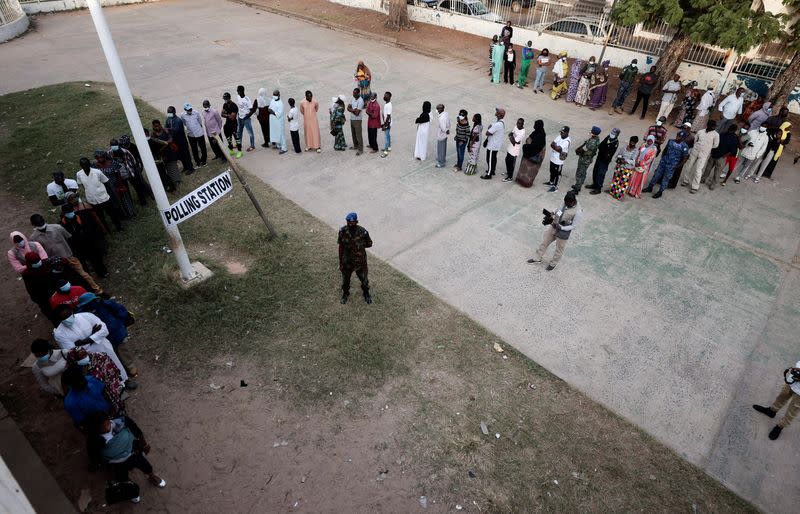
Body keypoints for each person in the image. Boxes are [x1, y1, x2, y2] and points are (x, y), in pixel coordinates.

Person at [52, 304, 132, 388]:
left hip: (102, 346)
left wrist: (82, 342)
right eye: (64, 318)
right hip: (87, 356)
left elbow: (104, 330)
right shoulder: (59, 334)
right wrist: (93, 334)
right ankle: (115, 388)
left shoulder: (86, 316)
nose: (67, 318)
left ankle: (125, 380)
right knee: (101, 372)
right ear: (59, 319)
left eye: (68, 314)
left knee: (115, 362)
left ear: (72, 311)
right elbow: (74, 350)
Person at [86, 413, 167, 490]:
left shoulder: (121, 421)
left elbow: (137, 431)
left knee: (145, 465)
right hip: (117, 463)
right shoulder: (93, 440)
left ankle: (151, 476)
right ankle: (130, 488)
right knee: (122, 477)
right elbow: (94, 454)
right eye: (102, 427)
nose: (107, 428)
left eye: (107, 424)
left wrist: (144, 444)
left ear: (109, 419)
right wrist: (102, 463)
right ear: (96, 429)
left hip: (133, 453)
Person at [30, 213, 101, 294]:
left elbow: (70, 239)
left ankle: (96, 289)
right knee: (66, 280)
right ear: (33, 225)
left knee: (83, 274)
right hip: (55, 263)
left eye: (41, 222)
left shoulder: (57, 227)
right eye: (38, 224)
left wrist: (74, 253)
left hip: (68, 256)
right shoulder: (34, 238)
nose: (41, 225)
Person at [527, 191, 583, 271]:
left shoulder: (578, 211)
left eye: (567, 203)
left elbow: (573, 225)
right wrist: (552, 212)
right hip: (554, 225)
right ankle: (537, 258)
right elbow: (559, 209)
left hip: (563, 231)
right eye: (565, 202)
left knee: (559, 249)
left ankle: (553, 263)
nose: (565, 204)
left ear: (573, 202)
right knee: (545, 242)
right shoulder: (565, 202)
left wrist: (561, 228)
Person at [752, 362, 800, 440]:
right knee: (782, 396)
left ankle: (780, 426)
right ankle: (772, 411)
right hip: (793, 379)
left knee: (792, 411)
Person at [60, 202, 107, 279]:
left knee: (96, 258)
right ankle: (88, 276)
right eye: (68, 212)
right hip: (75, 247)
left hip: (89, 243)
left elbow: (91, 229)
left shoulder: (81, 217)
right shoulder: (62, 225)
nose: (70, 213)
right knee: (82, 263)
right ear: (64, 213)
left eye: (71, 211)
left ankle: (102, 272)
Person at [76, 157, 122, 232]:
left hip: (104, 197)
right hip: (92, 200)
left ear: (89, 164)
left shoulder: (97, 172)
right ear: (80, 166)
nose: (85, 167)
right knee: (100, 216)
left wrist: (111, 195)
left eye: (86, 164)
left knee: (112, 214)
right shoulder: (79, 174)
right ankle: (106, 230)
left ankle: (119, 227)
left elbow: (106, 182)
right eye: (83, 165)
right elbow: (82, 185)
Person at [338, 212, 372, 305]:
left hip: (360, 262)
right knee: (345, 281)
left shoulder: (363, 232)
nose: (349, 223)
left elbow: (369, 243)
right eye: (348, 221)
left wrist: (359, 246)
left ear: (356, 221)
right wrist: (340, 262)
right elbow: (341, 247)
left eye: (351, 222)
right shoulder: (342, 231)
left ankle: (366, 294)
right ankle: (345, 294)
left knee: (364, 280)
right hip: (347, 262)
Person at [643, 131, 690, 198]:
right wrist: (662, 157)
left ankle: (660, 191)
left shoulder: (684, 147)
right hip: (663, 162)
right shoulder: (671, 141)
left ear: (683, 138)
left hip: (672, 165)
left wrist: (678, 166)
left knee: (666, 178)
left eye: (680, 136)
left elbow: (685, 158)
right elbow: (665, 149)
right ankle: (650, 187)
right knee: (656, 175)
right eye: (677, 135)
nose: (678, 137)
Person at [94, 150, 135, 219]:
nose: (99, 159)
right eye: (97, 158)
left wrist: (120, 185)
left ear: (104, 156)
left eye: (101, 157)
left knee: (124, 199)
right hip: (106, 187)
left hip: (116, 184)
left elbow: (118, 175)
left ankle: (130, 213)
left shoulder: (112, 163)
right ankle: (122, 216)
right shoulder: (95, 166)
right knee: (114, 202)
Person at [681, 120, 720, 192]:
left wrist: (707, 147)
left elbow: (715, 145)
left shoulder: (716, 135)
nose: (714, 128)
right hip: (695, 151)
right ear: (708, 125)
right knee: (688, 166)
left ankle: (695, 187)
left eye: (714, 126)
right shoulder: (701, 131)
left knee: (698, 170)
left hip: (704, 154)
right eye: (713, 126)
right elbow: (695, 140)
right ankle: (685, 181)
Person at [700, 123, 738, 190]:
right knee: (708, 168)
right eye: (730, 129)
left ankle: (713, 184)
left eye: (731, 130)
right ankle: (703, 179)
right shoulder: (721, 134)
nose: (730, 130)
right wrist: (712, 151)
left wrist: (724, 156)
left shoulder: (734, 139)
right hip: (714, 154)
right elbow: (715, 142)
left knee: (717, 172)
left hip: (721, 157)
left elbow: (732, 150)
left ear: (734, 131)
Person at [150, 121, 182, 194]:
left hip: (169, 151)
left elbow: (170, 138)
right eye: (155, 126)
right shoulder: (153, 134)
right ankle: (172, 181)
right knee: (167, 167)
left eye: (158, 126)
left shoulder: (165, 130)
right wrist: (165, 145)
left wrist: (167, 143)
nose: (157, 127)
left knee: (173, 165)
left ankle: (177, 180)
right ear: (153, 126)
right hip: (162, 153)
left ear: (160, 125)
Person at [586, 128, 619, 194]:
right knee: (595, 171)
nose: (612, 134)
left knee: (600, 174)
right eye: (612, 133)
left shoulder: (615, 142)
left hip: (605, 161)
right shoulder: (608, 137)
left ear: (617, 135)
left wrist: (603, 149)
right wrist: (603, 149)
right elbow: (600, 145)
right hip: (599, 158)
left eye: (613, 133)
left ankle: (598, 188)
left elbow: (608, 153)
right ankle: (594, 184)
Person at [515, 119, 546, 187]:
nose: (534, 126)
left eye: (535, 125)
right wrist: (528, 144)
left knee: (531, 170)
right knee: (524, 167)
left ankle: (526, 183)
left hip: (535, 154)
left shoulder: (541, 135)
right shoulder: (536, 132)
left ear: (538, 126)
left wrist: (527, 146)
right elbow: (529, 139)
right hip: (530, 151)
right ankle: (520, 180)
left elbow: (536, 145)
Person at [571, 126, 601, 193]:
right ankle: (578, 185)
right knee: (583, 172)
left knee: (580, 173)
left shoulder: (592, 142)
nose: (590, 131)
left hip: (584, 159)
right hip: (588, 159)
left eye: (592, 131)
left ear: (593, 133)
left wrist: (579, 151)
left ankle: (577, 188)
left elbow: (585, 150)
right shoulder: (596, 139)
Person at [164, 106, 194, 173]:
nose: (169, 114)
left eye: (170, 112)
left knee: (186, 155)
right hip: (175, 142)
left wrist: (168, 130)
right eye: (168, 112)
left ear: (174, 112)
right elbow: (165, 126)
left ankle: (190, 168)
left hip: (181, 141)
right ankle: (185, 167)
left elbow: (176, 131)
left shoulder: (178, 120)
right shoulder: (168, 119)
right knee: (180, 155)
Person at [667, 122, 695, 188]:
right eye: (683, 128)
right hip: (675, 153)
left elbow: (691, 147)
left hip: (683, 155)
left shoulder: (691, 138)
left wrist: (686, 156)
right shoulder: (680, 133)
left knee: (677, 170)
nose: (683, 129)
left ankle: (672, 185)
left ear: (689, 128)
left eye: (685, 128)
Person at [481, 108, 506, 180]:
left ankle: (489, 174)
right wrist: (491, 128)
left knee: (489, 159)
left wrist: (490, 129)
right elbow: (491, 126)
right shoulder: (501, 122)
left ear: (500, 115)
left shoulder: (497, 125)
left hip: (492, 145)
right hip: (496, 145)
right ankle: (492, 171)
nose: (496, 112)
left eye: (497, 112)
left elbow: (487, 133)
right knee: (493, 158)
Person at [545, 126, 571, 192]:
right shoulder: (559, 137)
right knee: (552, 171)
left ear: (567, 133)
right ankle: (551, 182)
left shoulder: (567, 141)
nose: (561, 134)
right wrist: (556, 148)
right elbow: (551, 144)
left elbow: (557, 148)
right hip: (553, 157)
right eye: (561, 132)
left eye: (563, 132)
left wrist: (556, 147)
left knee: (557, 174)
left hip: (559, 161)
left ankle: (555, 187)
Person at [180, 103, 207, 167]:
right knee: (194, 149)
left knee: (203, 148)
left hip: (199, 133)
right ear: (185, 110)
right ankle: (197, 162)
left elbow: (200, 122)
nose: (190, 110)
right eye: (188, 110)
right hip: (191, 135)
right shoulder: (182, 115)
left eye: (190, 109)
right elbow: (184, 123)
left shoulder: (196, 113)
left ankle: (204, 160)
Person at [503, 118, 526, 182]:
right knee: (507, 160)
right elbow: (510, 134)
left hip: (514, 151)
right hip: (510, 147)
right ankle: (508, 172)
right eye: (517, 122)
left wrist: (512, 138)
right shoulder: (516, 127)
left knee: (511, 164)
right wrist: (513, 138)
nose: (517, 124)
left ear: (522, 124)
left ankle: (510, 177)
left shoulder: (522, 132)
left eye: (519, 123)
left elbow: (514, 141)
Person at [235, 85, 256, 153]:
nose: (237, 91)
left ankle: (252, 146)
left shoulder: (247, 99)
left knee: (250, 133)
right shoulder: (238, 97)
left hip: (246, 119)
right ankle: (239, 144)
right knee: (239, 132)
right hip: (239, 117)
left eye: (238, 90)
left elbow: (252, 110)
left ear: (241, 91)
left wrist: (247, 116)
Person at [221, 92, 242, 158]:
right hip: (227, 124)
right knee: (228, 137)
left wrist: (226, 115)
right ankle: (231, 149)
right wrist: (228, 115)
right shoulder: (225, 105)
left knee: (236, 138)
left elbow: (232, 118)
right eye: (224, 99)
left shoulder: (234, 106)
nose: (225, 100)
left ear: (229, 98)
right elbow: (222, 114)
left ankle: (239, 151)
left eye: (226, 99)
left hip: (234, 124)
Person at [267, 89, 287, 154]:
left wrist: (272, 111)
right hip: (273, 121)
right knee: (275, 133)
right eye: (273, 94)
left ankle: (284, 148)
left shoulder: (281, 104)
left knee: (281, 134)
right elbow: (269, 108)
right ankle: (278, 145)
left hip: (279, 121)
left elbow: (278, 114)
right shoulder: (272, 100)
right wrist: (270, 110)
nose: (274, 96)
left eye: (275, 95)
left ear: (279, 95)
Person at [347, 88, 365, 156]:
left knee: (358, 135)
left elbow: (357, 113)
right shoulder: (352, 98)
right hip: (352, 119)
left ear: (358, 93)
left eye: (354, 93)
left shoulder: (361, 101)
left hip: (357, 120)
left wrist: (351, 110)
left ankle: (360, 150)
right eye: (353, 93)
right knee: (353, 134)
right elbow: (348, 107)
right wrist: (353, 110)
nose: (353, 94)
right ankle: (355, 146)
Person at [434, 104, 451, 168]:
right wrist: (448, 129)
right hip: (444, 135)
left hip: (441, 135)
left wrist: (446, 130)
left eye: (437, 109)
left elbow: (443, 128)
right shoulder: (446, 113)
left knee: (441, 148)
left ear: (440, 109)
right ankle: (441, 158)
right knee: (443, 148)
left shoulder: (441, 118)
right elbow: (449, 123)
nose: (436, 110)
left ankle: (441, 162)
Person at [380, 91, 393, 157]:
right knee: (388, 135)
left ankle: (385, 151)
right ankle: (389, 147)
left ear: (389, 97)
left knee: (386, 137)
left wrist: (385, 125)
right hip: (387, 122)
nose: (384, 96)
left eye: (386, 96)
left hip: (388, 123)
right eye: (384, 95)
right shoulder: (386, 104)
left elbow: (388, 116)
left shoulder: (389, 105)